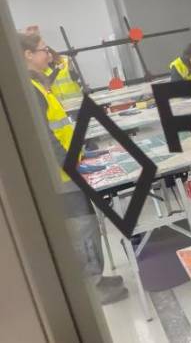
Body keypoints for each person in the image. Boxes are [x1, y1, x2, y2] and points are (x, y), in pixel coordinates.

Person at [19, 31, 129, 305]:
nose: (48, 54)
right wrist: (71, 165)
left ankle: (96, 277)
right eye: (43, 50)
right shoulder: (31, 90)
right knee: (81, 227)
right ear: (27, 55)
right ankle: (92, 287)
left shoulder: (38, 85)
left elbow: (60, 131)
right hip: (61, 176)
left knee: (87, 224)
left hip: (69, 168)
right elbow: (44, 137)